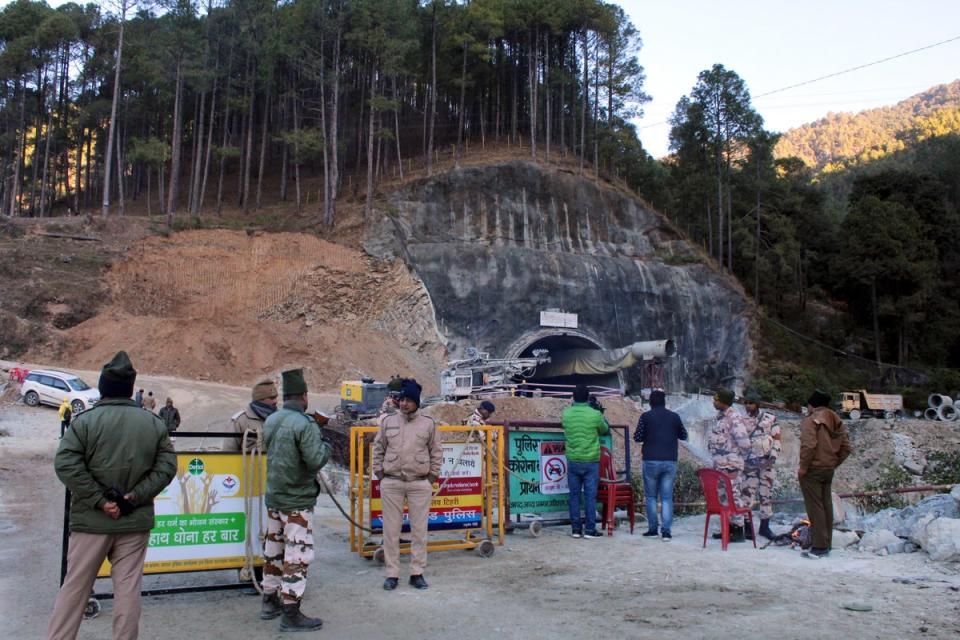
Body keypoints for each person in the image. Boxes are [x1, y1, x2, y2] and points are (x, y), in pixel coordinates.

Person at [47, 351, 177, 640]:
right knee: (128, 592)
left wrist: (99, 500)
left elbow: (65, 463)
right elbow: (167, 466)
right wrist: (135, 497)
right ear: (130, 389)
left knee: (74, 589)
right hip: (134, 521)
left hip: (91, 523)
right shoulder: (153, 424)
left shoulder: (84, 422)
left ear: (103, 387)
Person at [260, 368, 331, 631]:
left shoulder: (272, 420)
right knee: (297, 555)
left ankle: (269, 601)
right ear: (303, 396)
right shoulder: (305, 424)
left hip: (275, 498)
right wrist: (325, 443)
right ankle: (291, 613)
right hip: (296, 502)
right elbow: (315, 458)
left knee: (273, 551)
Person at [372, 379, 442, 591]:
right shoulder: (388, 422)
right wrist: (381, 474)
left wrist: (431, 477)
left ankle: (416, 572)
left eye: (408, 400)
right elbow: (378, 449)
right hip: (392, 482)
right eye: (401, 399)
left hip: (419, 484)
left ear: (417, 402)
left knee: (419, 530)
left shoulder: (428, 424)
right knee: (391, 531)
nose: (403, 404)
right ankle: (392, 573)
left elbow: (436, 452)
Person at [799, 389, 851, 559]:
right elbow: (846, 448)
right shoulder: (836, 420)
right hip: (828, 469)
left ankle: (819, 546)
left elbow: (809, 446)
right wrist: (833, 463)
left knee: (815, 507)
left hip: (813, 469)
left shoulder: (810, 420)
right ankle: (826, 543)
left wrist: (803, 467)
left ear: (812, 404)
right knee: (826, 505)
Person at [634, 390, 687, 541]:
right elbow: (683, 435)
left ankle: (652, 529)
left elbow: (637, 437)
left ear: (650, 402)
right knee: (666, 497)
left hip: (650, 460)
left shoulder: (645, 417)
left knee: (651, 497)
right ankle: (666, 532)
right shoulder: (674, 417)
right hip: (670, 460)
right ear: (664, 402)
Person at [561, 385, 609, 539]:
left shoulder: (566, 414)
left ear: (573, 398)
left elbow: (565, 426)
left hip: (573, 460)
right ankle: (589, 530)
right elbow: (604, 429)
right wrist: (600, 412)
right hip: (591, 461)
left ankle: (575, 529)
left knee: (574, 496)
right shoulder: (595, 414)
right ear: (588, 398)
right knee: (590, 496)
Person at [708, 388, 752, 542]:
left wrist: (735, 459)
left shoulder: (734, 418)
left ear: (723, 402)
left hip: (731, 466)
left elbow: (745, 443)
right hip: (720, 466)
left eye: (716, 400)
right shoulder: (719, 417)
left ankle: (738, 529)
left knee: (733, 496)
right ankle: (728, 528)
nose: (714, 402)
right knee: (723, 497)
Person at [741, 388, 781, 540]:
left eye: (751, 403)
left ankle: (765, 528)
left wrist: (773, 457)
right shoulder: (742, 420)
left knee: (766, 496)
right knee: (747, 494)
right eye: (746, 403)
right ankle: (748, 528)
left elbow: (777, 438)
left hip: (766, 463)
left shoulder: (770, 418)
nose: (748, 406)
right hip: (749, 465)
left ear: (757, 404)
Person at [229, 380, 279, 451]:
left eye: (276, 397)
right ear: (259, 400)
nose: (275, 401)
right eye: (272, 398)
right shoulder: (240, 421)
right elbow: (228, 452)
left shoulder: (281, 419)